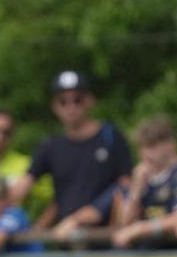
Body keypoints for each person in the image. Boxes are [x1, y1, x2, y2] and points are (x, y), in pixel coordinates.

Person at [10, 71, 133, 236]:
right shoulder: (51, 146)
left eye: (77, 100)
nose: (71, 107)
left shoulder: (110, 137)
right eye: (63, 101)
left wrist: (82, 217)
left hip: (105, 238)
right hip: (66, 238)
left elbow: (125, 185)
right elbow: (22, 187)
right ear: (54, 106)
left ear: (90, 101)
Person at [112, 116, 177, 248]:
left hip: (172, 252)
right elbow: (124, 224)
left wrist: (142, 228)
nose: (146, 153)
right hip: (143, 252)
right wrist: (136, 190)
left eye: (152, 146)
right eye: (142, 147)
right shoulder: (141, 177)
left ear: (170, 145)